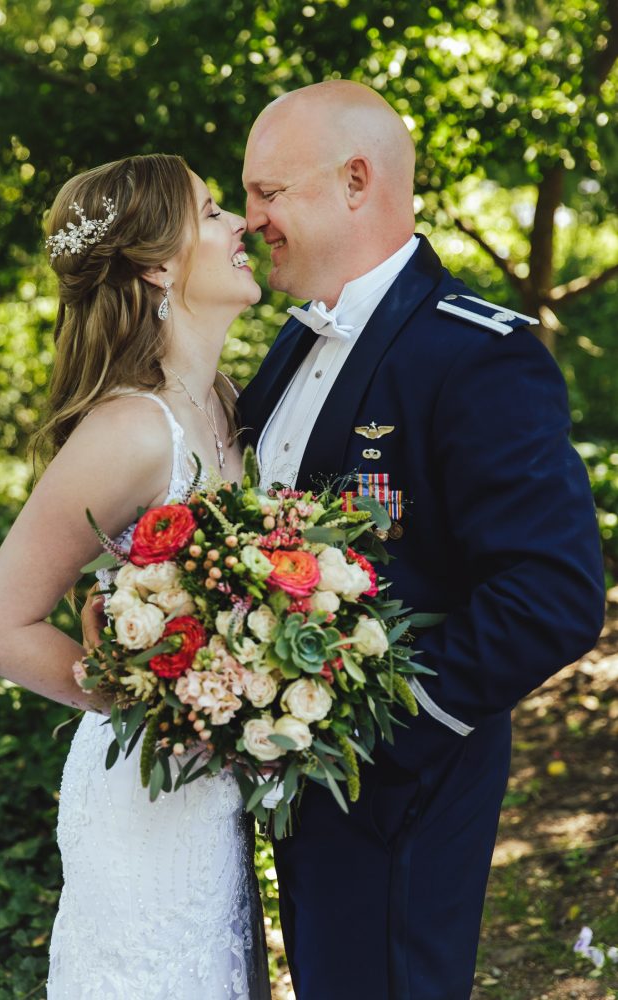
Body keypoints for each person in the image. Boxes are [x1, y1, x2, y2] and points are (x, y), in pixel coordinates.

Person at [235, 81, 606, 999]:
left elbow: (551, 594)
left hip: (400, 788)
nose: (249, 221)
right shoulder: (289, 342)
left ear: (356, 180)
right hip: (297, 784)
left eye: (267, 193)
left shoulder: (476, 354)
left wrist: (379, 737)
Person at [0, 153, 271, 999]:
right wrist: (148, 703)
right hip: (142, 792)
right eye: (211, 213)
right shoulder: (134, 430)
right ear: (158, 265)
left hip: (213, 794)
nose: (240, 223)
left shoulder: (232, 404)